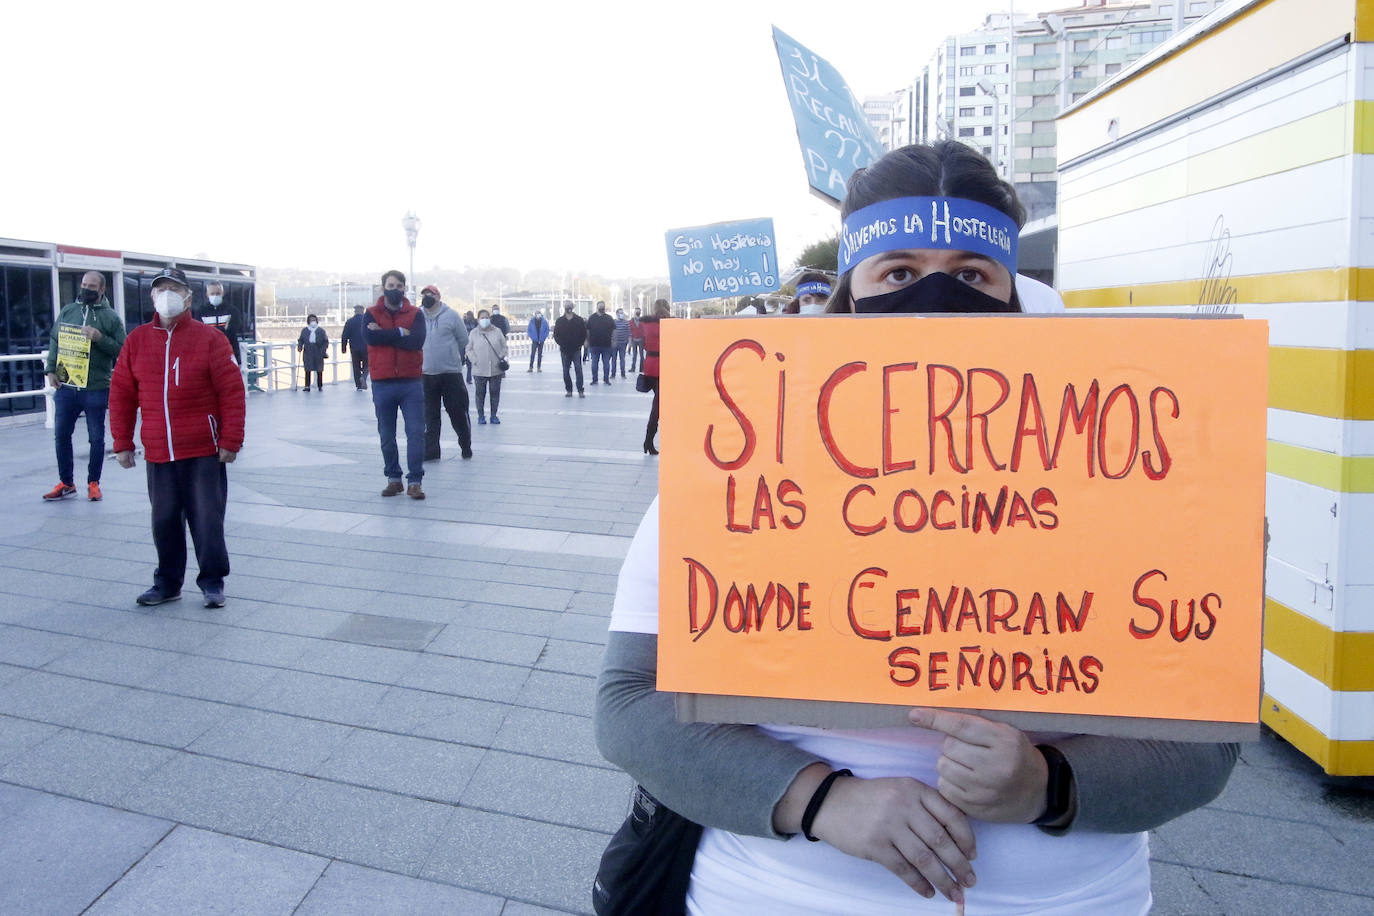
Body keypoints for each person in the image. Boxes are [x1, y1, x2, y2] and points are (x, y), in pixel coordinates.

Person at [594, 142, 1239, 913]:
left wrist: (1049, 784)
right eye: (897, 272)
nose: (935, 294)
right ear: (851, 294)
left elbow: (1207, 736)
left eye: (971, 274)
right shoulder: (739, 466)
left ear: (1013, 293)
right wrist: (820, 800)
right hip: (773, 895)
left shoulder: (1140, 463)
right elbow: (631, 701)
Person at [109, 267, 244, 608]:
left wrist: (231, 439)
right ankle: (168, 583)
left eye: (173, 288)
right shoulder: (137, 340)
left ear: (188, 297)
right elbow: (122, 393)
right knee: (164, 519)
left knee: (207, 519)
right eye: (161, 289)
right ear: (153, 296)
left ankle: (212, 581)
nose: (166, 295)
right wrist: (122, 441)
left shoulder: (211, 338)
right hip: (159, 450)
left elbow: (232, 391)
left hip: (202, 448)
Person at [42, 270, 126, 502]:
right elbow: (54, 339)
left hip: (96, 387)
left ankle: (93, 483)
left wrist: (100, 338)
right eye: (84, 284)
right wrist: (50, 369)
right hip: (67, 385)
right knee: (61, 435)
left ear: (102, 289)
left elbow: (123, 350)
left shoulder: (111, 318)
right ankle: (66, 482)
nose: (86, 288)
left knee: (96, 438)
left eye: (91, 286)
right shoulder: (68, 311)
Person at [366, 270, 427, 499]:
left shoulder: (415, 313)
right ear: (383, 288)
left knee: (415, 433)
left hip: (411, 382)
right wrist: (401, 332)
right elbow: (371, 339)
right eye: (390, 285)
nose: (395, 289)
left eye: (399, 285)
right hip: (382, 383)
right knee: (386, 434)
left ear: (404, 288)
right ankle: (393, 479)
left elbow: (417, 341)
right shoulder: (371, 313)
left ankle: (415, 481)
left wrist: (385, 334)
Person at [419, 284, 473, 461]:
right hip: (426, 373)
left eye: (431, 294)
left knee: (457, 411)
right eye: (424, 294)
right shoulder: (417, 316)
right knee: (430, 414)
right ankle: (431, 451)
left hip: (450, 373)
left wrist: (451, 355)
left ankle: (465, 445)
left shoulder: (451, 315)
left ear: (438, 297)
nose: (427, 297)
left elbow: (463, 339)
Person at [466, 308, 508, 424]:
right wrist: (474, 360)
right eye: (482, 318)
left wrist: (500, 356)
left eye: (486, 317)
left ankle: (494, 415)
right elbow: (468, 349)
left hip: (495, 369)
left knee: (495, 393)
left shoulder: (497, 331)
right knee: (480, 394)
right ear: (478, 319)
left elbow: (504, 347)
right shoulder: (474, 333)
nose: (484, 320)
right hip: (479, 369)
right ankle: (481, 416)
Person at [637, 299, 669, 455]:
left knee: (658, 403)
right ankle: (648, 442)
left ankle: (648, 442)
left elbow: (643, 344)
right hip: (665, 365)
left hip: (649, 365)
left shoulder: (646, 324)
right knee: (658, 406)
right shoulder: (670, 324)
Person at [199, 281, 242, 364]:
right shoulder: (201, 312)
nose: (215, 296)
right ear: (207, 295)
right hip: (208, 357)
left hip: (229, 355)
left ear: (222, 293)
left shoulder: (232, 311)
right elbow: (199, 334)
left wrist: (238, 360)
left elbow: (232, 332)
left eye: (218, 293)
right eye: (212, 293)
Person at [553, 300, 586, 398]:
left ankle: (580, 390)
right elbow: (556, 335)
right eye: (567, 306)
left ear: (573, 307)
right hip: (564, 350)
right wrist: (561, 343)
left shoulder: (579, 320)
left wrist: (580, 344)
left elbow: (583, 333)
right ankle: (569, 390)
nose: (568, 308)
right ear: (564, 308)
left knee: (578, 369)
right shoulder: (560, 321)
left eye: (570, 306)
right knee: (566, 371)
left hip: (576, 349)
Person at [297, 313, 328, 391]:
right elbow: (301, 340)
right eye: (311, 320)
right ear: (308, 321)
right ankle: (307, 386)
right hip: (308, 351)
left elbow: (325, 341)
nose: (312, 322)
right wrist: (300, 346)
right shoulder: (305, 330)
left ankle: (320, 385)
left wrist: (323, 350)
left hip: (318, 351)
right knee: (307, 369)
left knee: (319, 369)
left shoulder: (321, 331)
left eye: (314, 320)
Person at [341, 304, 369, 390]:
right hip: (366, 347)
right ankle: (364, 377)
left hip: (354, 348)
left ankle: (358, 385)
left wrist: (343, 347)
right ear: (363, 311)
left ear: (355, 311)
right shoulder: (367, 321)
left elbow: (345, 335)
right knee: (367, 365)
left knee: (356, 366)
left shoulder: (350, 321)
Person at [586, 301, 615, 385]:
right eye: (601, 306)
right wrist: (587, 341)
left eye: (603, 306)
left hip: (606, 344)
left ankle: (604, 379)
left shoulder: (609, 318)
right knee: (596, 363)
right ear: (597, 307)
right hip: (594, 344)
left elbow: (614, 330)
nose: (602, 308)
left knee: (605, 363)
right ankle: (596, 379)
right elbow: (587, 330)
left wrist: (613, 340)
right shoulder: (592, 318)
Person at [612, 307, 631, 379]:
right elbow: (611, 332)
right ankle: (613, 374)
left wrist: (629, 342)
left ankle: (623, 374)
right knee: (614, 359)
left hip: (623, 343)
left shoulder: (626, 323)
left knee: (622, 359)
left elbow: (629, 333)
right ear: (617, 314)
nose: (622, 314)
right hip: (614, 343)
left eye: (622, 313)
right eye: (620, 313)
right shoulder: (613, 322)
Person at [462, 310, 478, 383]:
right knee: (461, 360)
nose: (469, 317)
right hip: (463, 343)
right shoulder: (463, 322)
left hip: (472, 344)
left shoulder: (475, 322)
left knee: (469, 362)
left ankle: (469, 379)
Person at [628, 306, 645, 372]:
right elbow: (629, 331)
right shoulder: (631, 321)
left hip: (641, 339)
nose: (638, 312)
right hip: (634, 339)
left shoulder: (643, 321)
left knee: (642, 355)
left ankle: (642, 368)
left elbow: (645, 330)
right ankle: (633, 368)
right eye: (636, 311)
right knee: (634, 355)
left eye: (639, 311)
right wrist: (630, 342)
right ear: (634, 312)